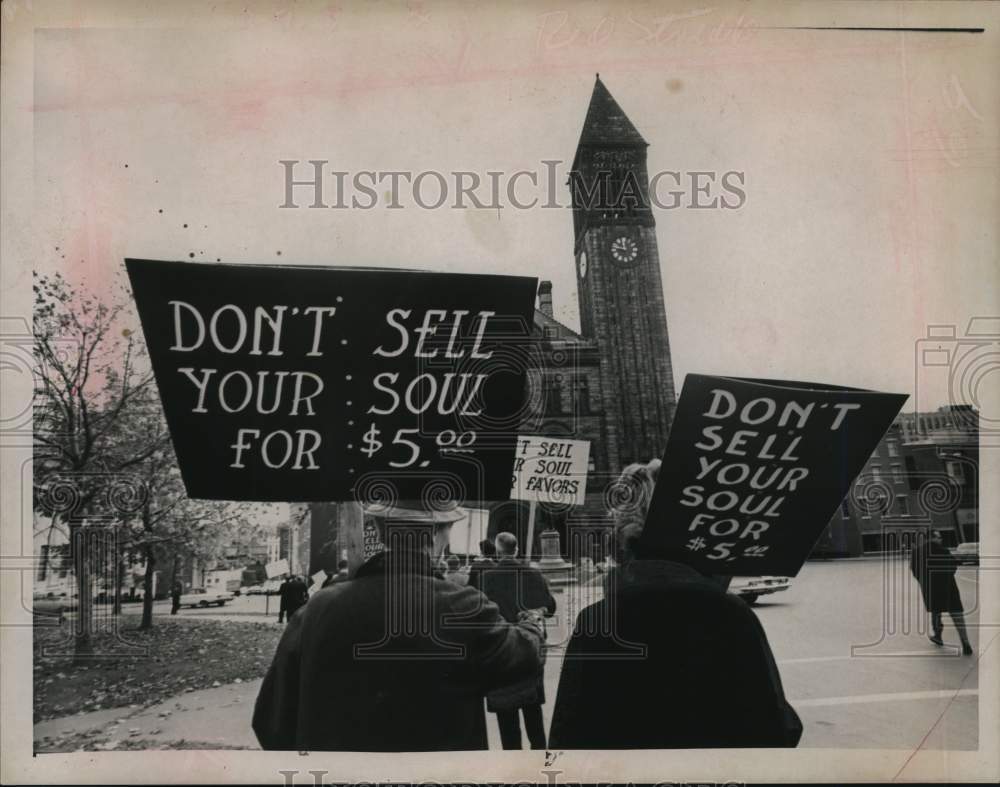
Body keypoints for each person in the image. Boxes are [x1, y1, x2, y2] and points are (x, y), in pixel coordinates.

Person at [548, 460, 802, 750]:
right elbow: (776, 729)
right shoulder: (731, 615)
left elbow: (567, 739)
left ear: (623, 540)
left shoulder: (596, 622)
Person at [252, 503, 546, 751]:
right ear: (439, 534)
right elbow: (523, 659)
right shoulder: (463, 606)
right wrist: (532, 622)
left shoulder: (315, 610)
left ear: (379, 530)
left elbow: (270, 724)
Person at [480, 531, 556, 750]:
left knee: (507, 720)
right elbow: (550, 608)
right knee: (533, 714)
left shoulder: (486, 578)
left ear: (496, 550)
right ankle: (540, 766)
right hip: (530, 649)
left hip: (501, 650)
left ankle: (513, 767)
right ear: (516, 549)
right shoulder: (533, 575)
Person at [909, 530, 973, 655]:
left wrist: (924, 581)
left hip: (930, 588)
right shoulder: (943, 551)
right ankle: (965, 643)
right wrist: (947, 577)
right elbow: (953, 566)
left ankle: (938, 636)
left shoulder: (916, 552)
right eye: (939, 537)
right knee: (956, 613)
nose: (941, 540)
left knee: (936, 611)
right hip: (948, 587)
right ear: (931, 538)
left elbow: (914, 570)